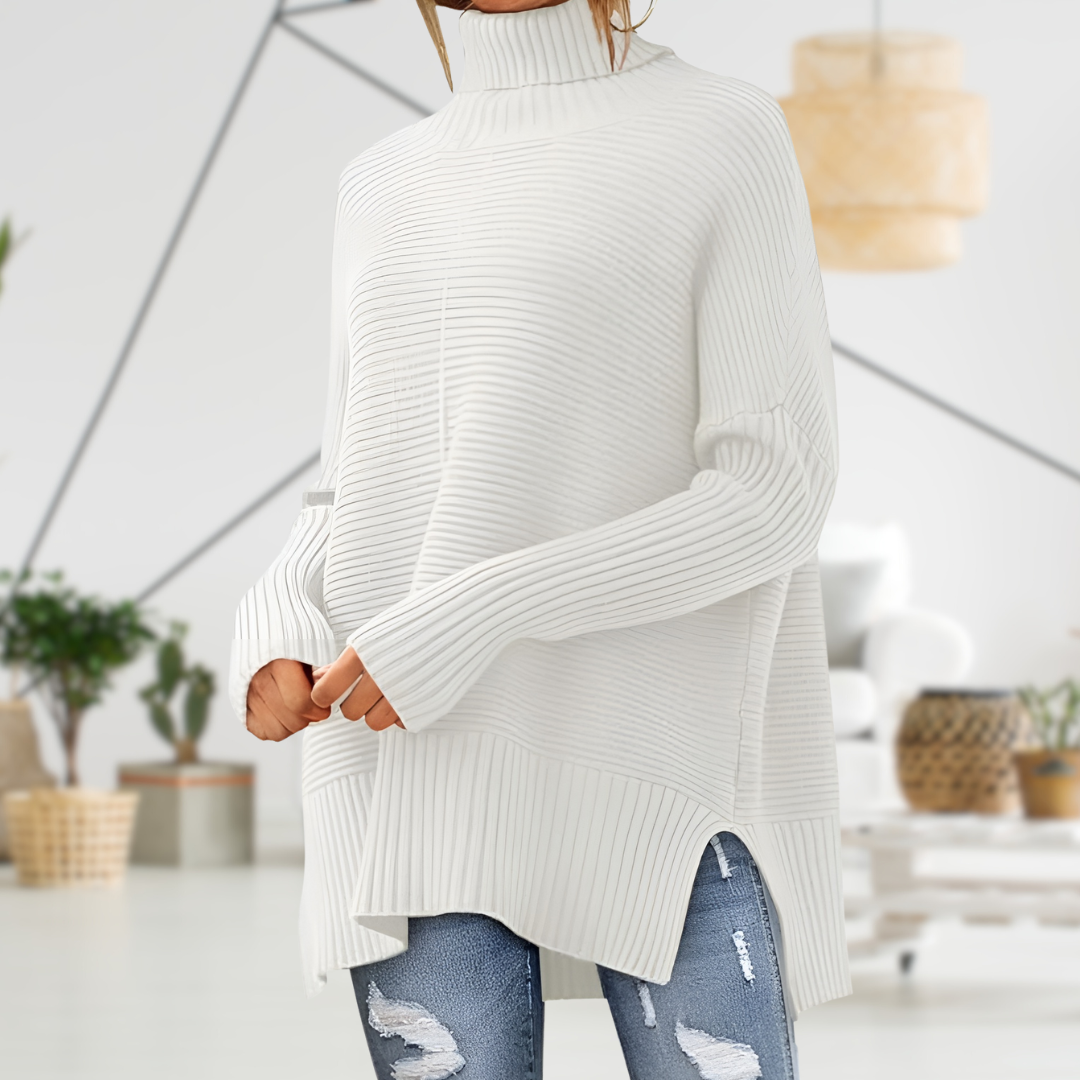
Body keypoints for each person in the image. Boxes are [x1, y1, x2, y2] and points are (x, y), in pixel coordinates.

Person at [231, 0, 848, 1076]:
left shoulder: (720, 130)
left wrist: (472, 615)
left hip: (658, 768)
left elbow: (772, 491)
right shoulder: (381, 180)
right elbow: (351, 482)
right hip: (407, 768)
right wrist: (279, 614)